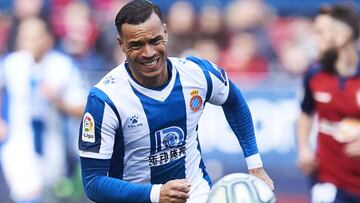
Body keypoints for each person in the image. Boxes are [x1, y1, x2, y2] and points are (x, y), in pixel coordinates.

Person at [78, 1, 274, 203]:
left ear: (165, 32)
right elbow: (93, 182)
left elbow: (233, 100)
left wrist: (255, 165)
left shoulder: (197, 74)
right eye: (136, 45)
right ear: (121, 44)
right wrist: (155, 194)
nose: (149, 53)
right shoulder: (105, 99)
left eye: (155, 40)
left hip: (196, 195)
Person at [0, 17, 86, 203]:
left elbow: (82, 109)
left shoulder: (64, 66)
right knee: (28, 193)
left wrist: (58, 101)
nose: (26, 42)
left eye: (33, 37)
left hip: (56, 147)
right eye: (23, 37)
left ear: (47, 39)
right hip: (20, 144)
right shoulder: (11, 64)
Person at [296, 5, 360, 203]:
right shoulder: (314, 75)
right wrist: (304, 148)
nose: (314, 40)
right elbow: (305, 114)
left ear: (341, 38)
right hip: (328, 180)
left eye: (320, 33)